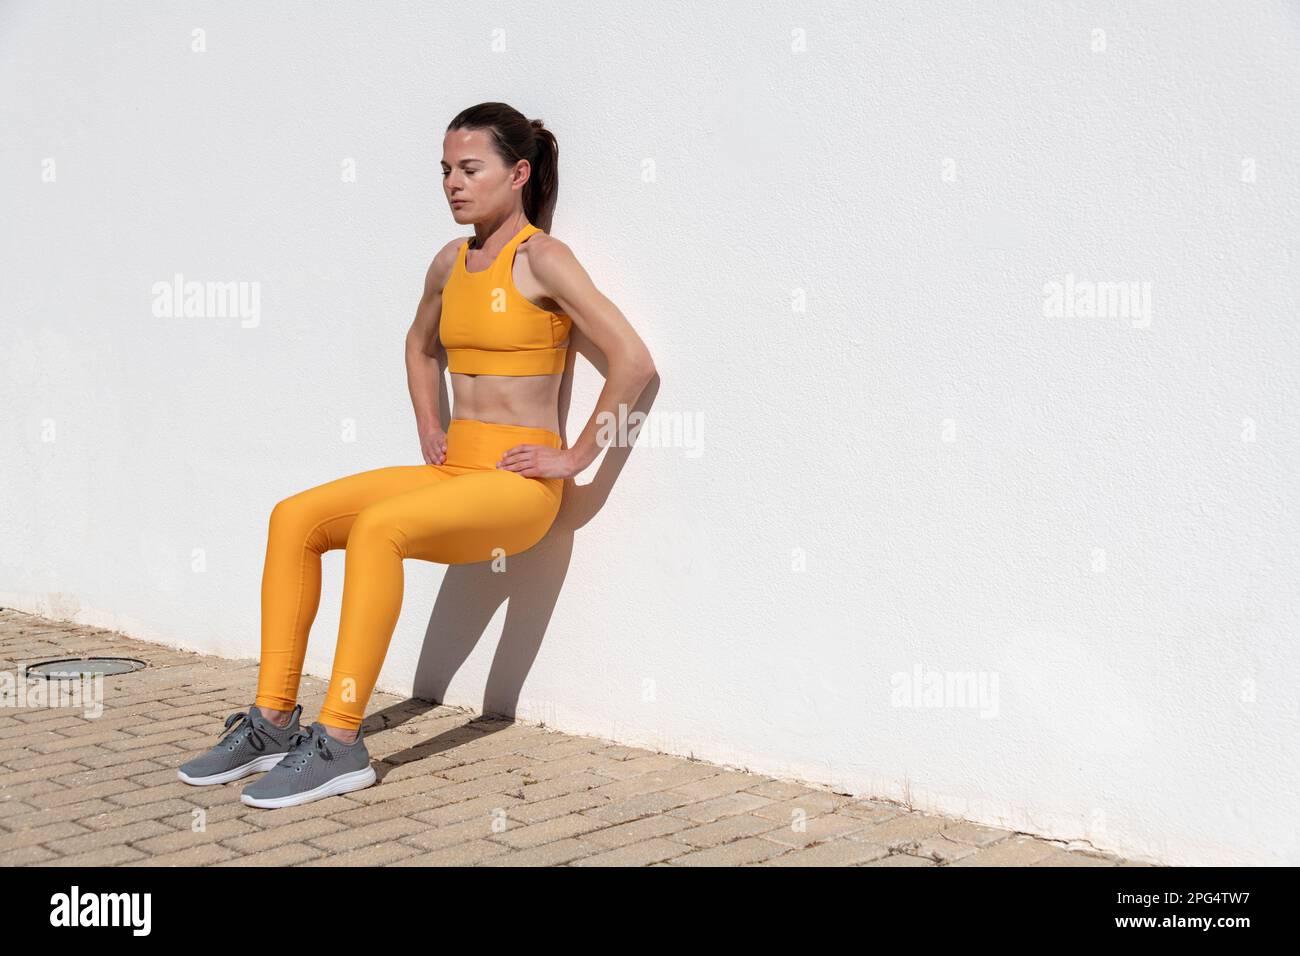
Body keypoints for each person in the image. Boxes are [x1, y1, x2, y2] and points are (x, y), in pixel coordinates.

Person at [177, 102, 657, 809]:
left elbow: (634, 361)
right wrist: (430, 424)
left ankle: (339, 742)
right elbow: (418, 344)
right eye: (445, 170)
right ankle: (273, 722)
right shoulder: (449, 261)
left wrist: (577, 455)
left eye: (470, 169)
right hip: (455, 468)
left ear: (518, 173)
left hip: (516, 487)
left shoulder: (543, 259)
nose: (453, 184)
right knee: (295, 517)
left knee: (379, 530)